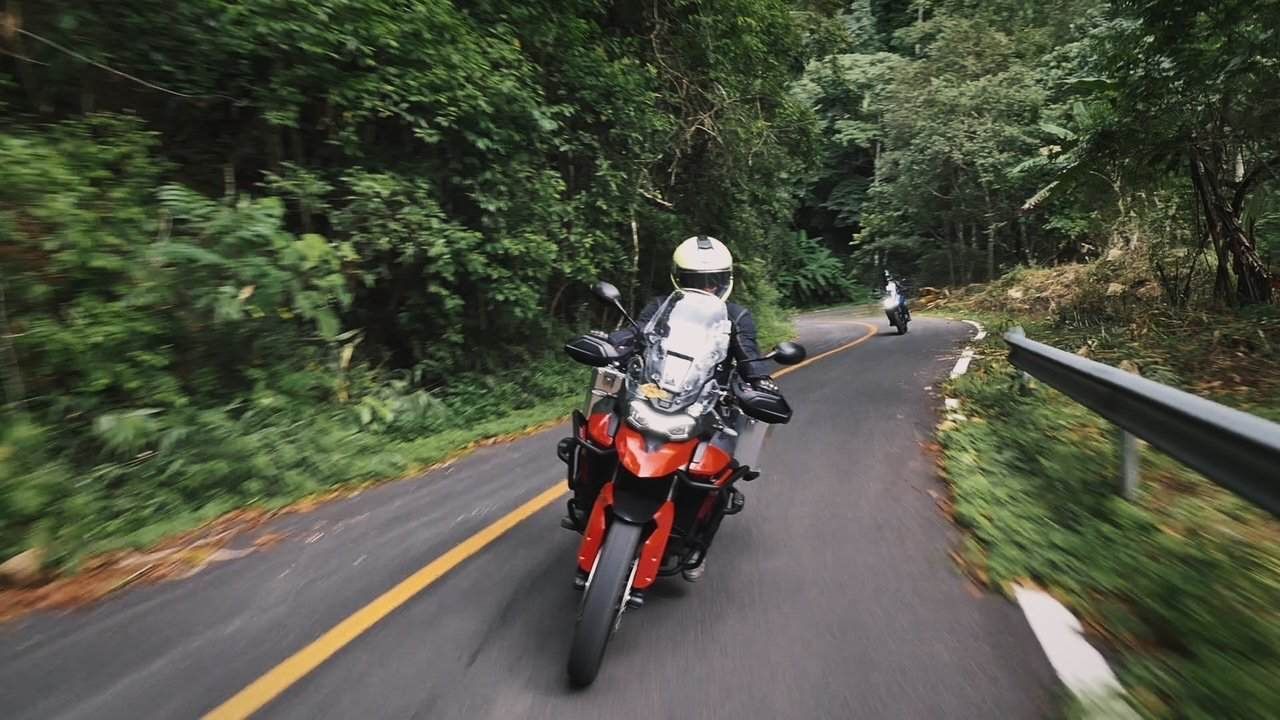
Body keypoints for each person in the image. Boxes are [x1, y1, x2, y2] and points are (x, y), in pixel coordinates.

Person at [601, 235, 779, 581]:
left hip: (707, 403)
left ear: (725, 281)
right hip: (654, 391)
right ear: (678, 279)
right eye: (695, 281)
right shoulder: (658, 308)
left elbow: (749, 358)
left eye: (712, 281)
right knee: (602, 426)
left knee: (722, 468)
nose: (706, 289)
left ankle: (696, 545)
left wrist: (760, 382)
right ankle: (589, 491)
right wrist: (612, 344)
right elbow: (635, 337)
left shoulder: (736, 317)